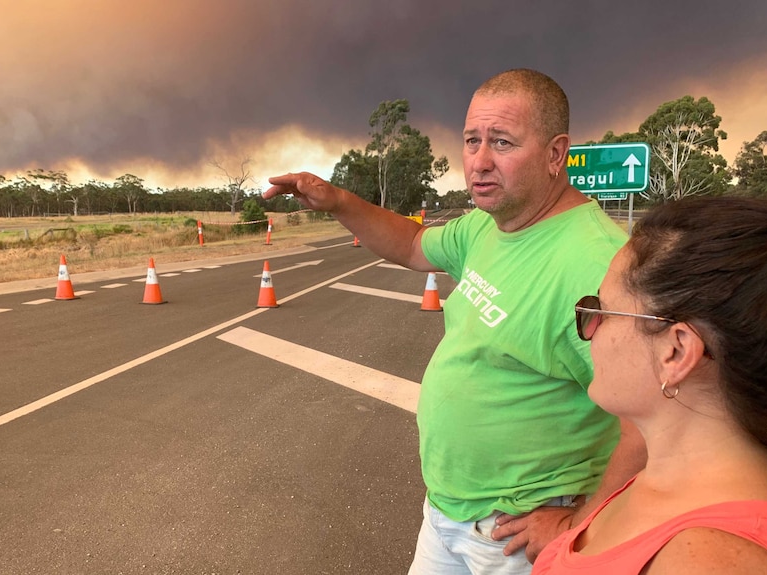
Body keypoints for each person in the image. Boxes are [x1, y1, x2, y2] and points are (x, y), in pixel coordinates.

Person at [264, 68, 646, 574]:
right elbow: (412, 242)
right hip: (447, 513)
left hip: (515, 537)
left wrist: (582, 522)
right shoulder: (489, 225)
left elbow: (649, 421)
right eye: (472, 141)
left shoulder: (598, 265)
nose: (480, 162)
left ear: (557, 154)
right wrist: (337, 201)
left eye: (503, 142)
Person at [533, 196, 767, 574]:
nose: (590, 330)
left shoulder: (709, 561)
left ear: (676, 351)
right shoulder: (679, 476)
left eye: (601, 310)